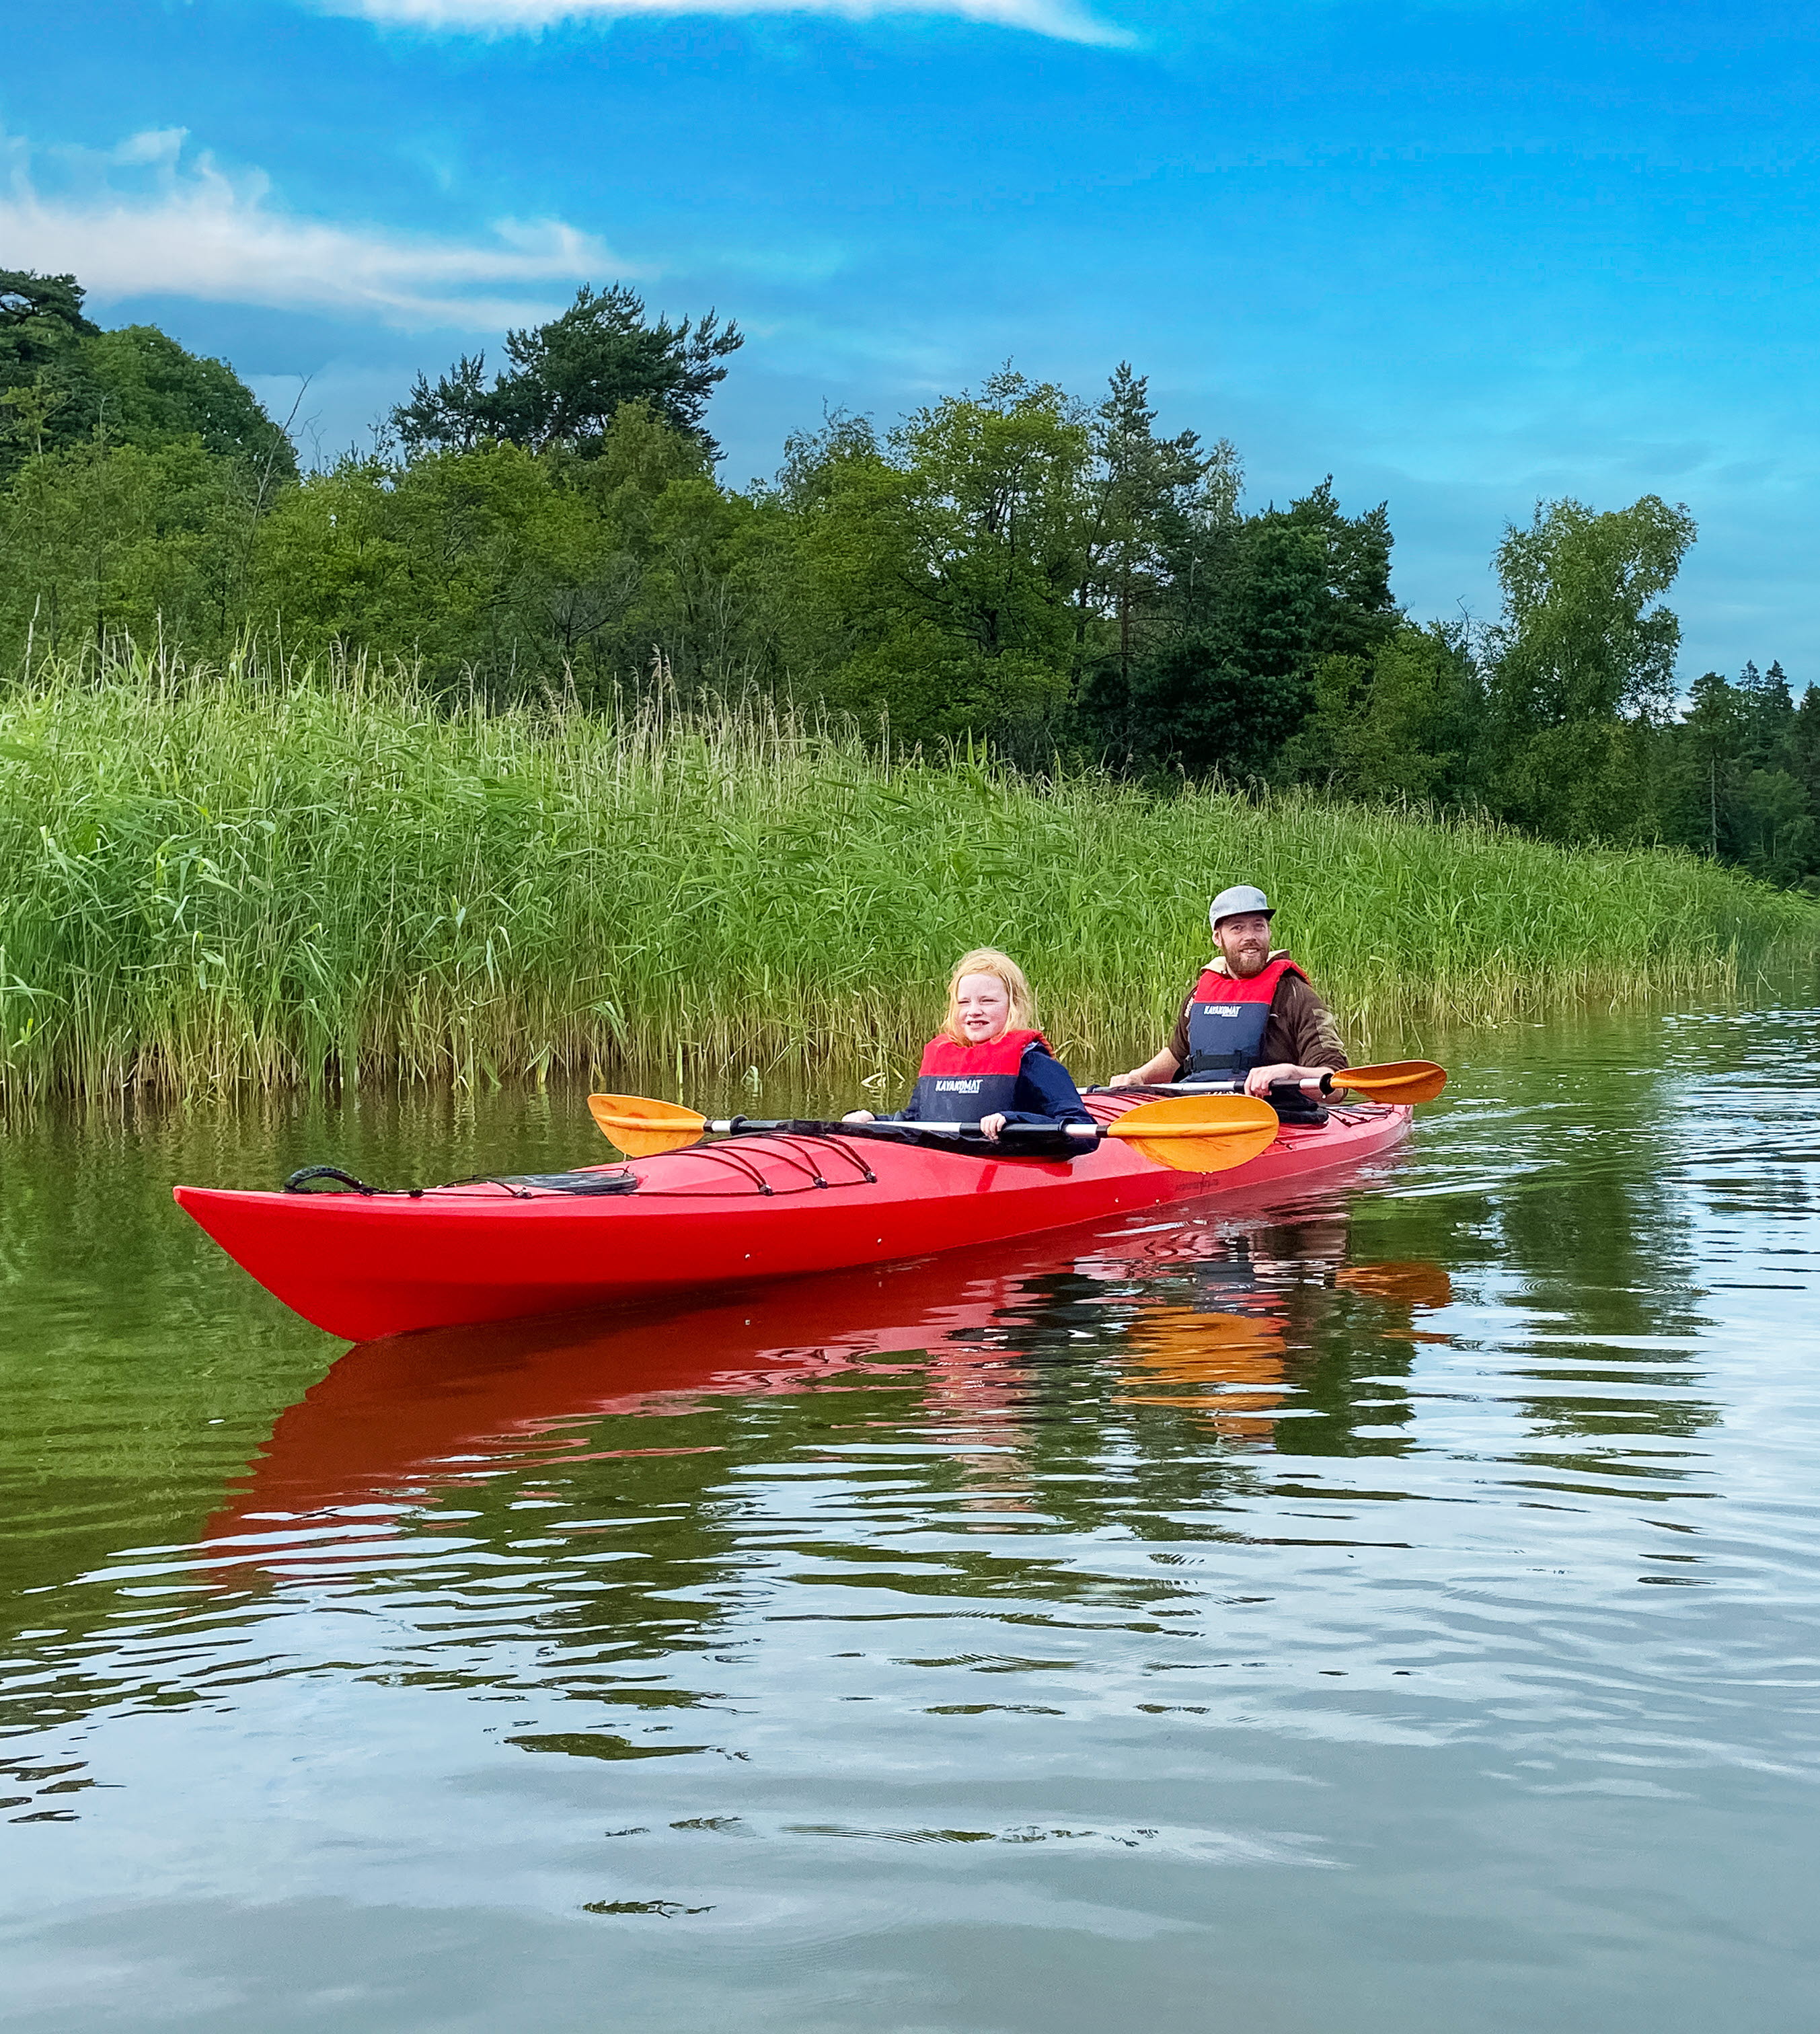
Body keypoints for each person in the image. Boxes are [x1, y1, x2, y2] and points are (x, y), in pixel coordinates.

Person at [1110, 885, 1349, 1100]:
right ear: (1217, 937)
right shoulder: (1198, 998)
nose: (1250, 937)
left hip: (1276, 1114)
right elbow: (1176, 1056)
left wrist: (1291, 1072)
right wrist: (1138, 1077)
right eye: (1237, 928)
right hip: (1203, 1110)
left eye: (1259, 926)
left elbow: (1336, 1085)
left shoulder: (1297, 996)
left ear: (1269, 932)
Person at [843, 948, 1093, 1143]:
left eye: (987, 1001)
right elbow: (917, 1120)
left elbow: (1080, 1127)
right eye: (964, 1002)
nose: (974, 1011)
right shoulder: (942, 1057)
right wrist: (874, 1120)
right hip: (944, 1165)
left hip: (1009, 1160)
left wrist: (1013, 1120)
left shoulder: (1033, 1061)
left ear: (1013, 1004)